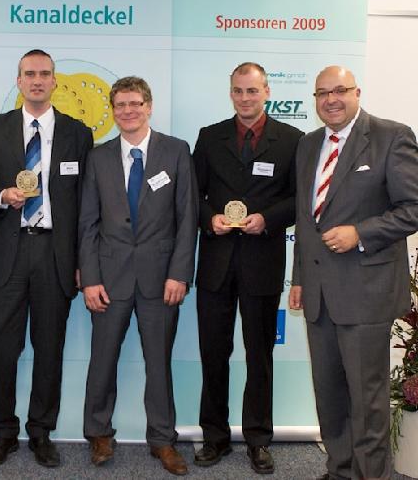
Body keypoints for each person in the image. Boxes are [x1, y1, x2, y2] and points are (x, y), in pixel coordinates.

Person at [289, 66, 418, 480]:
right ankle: (340, 469)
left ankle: (371, 475)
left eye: (339, 90)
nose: (331, 99)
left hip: (366, 291)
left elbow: (413, 208)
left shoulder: (391, 136)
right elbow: (305, 219)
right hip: (319, 294)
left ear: (357, 92)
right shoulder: (309, 144)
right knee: (329, 395)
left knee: (367, 399)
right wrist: (299, 277)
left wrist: (361, 233)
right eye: (322, 93)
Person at [0, 49, 93, 468]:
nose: (37, 80)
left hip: (55, 253)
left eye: (44, 74)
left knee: (49, 347)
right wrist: (1, 195)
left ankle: (41, 432)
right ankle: (2, 432)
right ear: (19, 81)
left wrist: (84, 261)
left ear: (55, 81)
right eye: (29, 74)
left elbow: (87, 203)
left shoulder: (78, 133)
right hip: (8, 250)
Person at [79, 76, 198, 476]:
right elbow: (87, 223)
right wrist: (90, 278)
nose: (127, 111)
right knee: (102, 361)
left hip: (161, 279)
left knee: (159, 364)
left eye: (135, 104)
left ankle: (162, 440)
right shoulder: (98, 157)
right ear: (113, 111)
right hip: (108, 279)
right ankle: (98, 434)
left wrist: (180, 273)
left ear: (149, 106)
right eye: (120, 105)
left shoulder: (176, 151)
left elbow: (187, 218)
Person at [191, 62, 302, 474]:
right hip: (216, 264)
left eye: (252, 91)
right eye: (238, 91)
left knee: (260, 357)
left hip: (263, 263)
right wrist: (210, 219)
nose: (245, 98)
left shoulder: (292, 140)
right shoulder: (210, 136)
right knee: (213, 354)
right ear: (230, 93)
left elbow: (299, 199)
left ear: (267, 92)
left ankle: (258, 440)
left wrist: (267, 219)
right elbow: (192, 194)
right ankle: (214, 437)